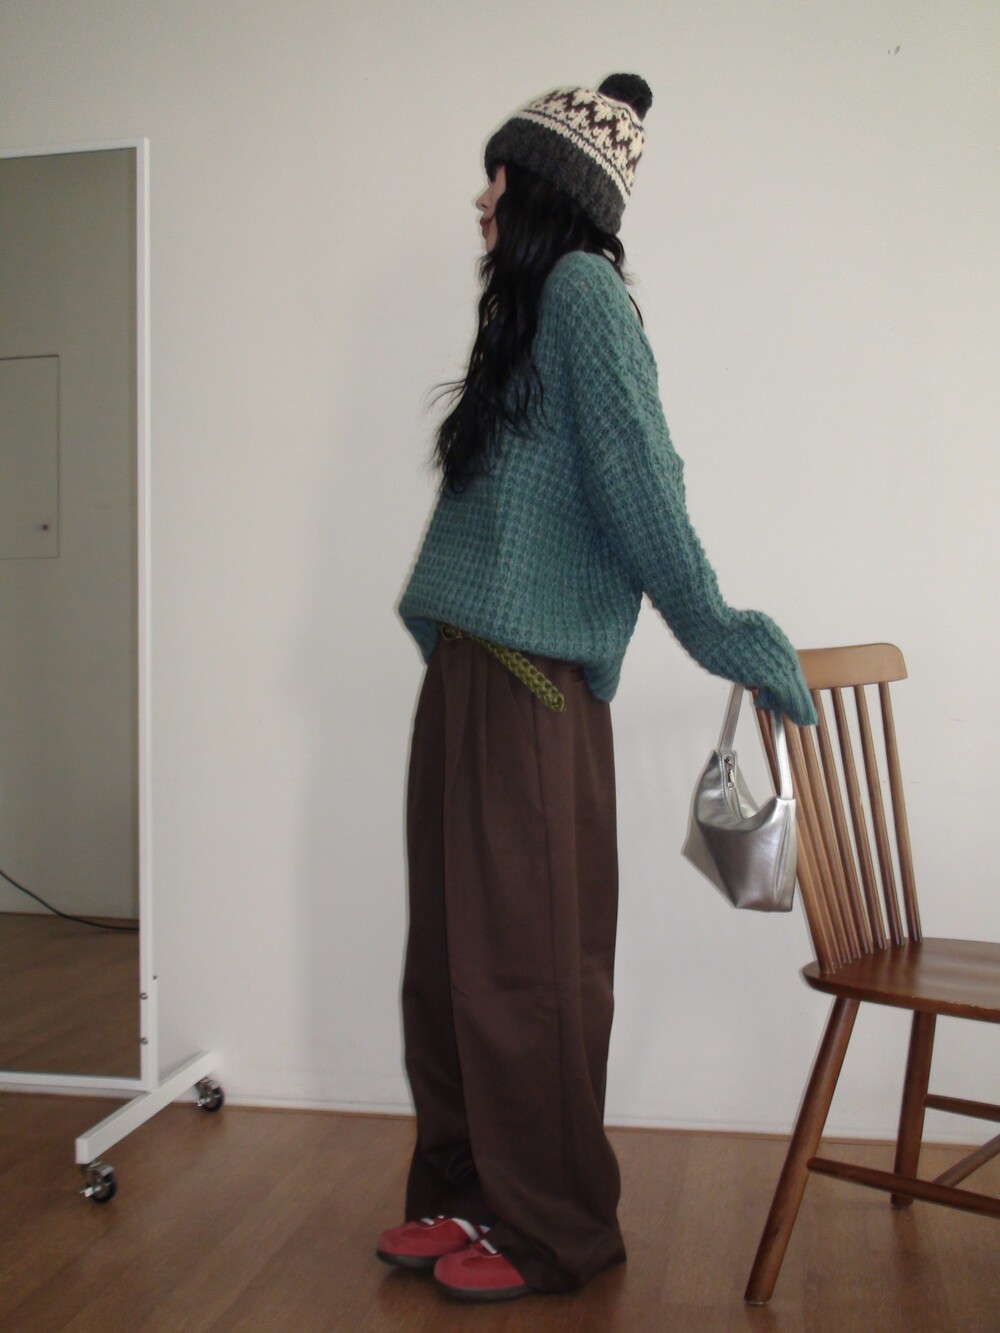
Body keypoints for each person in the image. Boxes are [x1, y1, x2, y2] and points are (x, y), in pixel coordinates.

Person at [377, 74, 817, 1304]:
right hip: (472, 676)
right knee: (450, 964)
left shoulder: (580, 295)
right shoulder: (523, 314)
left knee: (526, 970)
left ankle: (555, 1228)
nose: (482, 198)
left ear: (546, 188)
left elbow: (641, 485)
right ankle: (465, 1191)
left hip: (530, 690)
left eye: (498, 176)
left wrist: (724, 632)